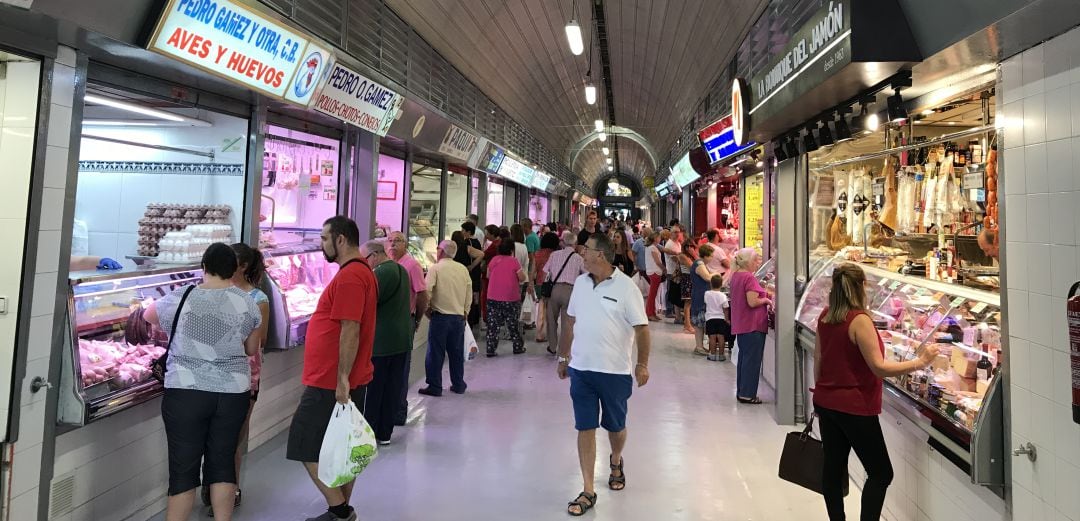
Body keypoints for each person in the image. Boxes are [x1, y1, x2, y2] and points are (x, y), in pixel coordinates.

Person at [814, 263, 940, 521]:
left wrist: (823, 394)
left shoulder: (826, 316)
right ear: (860, 286)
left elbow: (819, 360)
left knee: (833, 468)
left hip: (827, 402)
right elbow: (879, 368)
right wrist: (921, 362)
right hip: (855, 407)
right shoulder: (859, 320)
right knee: (881, 473)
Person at [145, 243, 262, 521]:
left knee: (183, 470)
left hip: (186, 391)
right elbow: (251, 349)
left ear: (204, 268)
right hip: (232, 393)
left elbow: (148, 316)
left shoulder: (183, 296)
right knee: (222, 465)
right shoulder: (248, 302)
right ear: (234, 270)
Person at [285, 216, 377, 521]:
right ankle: (340, 512)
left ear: (340, 239)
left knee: (303, 443)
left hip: (330, 381)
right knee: (343, 449)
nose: (321, 244)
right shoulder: (361, 272)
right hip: (344, 378)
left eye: (325, 238)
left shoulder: (351, 277)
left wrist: (341, 380)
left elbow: (350, 328)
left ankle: (340, 510)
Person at [556, 233, 651, 517]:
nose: (581, 254)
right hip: (582, 370)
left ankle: (616, 459)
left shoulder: (626, 287)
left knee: (615, 427)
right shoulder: (581, 284)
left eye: (586, 250)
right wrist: (564, 356)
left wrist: (642, 364)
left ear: (601, 255)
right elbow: (570, 321)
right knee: (584, 426)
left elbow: (642, 328)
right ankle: (588, 489)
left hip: (614, 371)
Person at [209, 243, 270, 515]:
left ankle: (229, 489)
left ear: (242, 266)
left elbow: (260, 340)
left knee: (233, 438)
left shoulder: (258, 299)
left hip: (246, 376)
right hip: (213, 373)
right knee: (212, 435)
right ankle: (213, 486)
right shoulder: (218, 291)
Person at [359, 239, 412, 445]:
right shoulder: (401, 270)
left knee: (375, 390)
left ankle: (370, 433)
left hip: (382, 342)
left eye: (364, 260)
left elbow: (367, 301)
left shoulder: (381, 273)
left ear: (373, 255)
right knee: (392, 388)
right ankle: (385, 433)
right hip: (401, 339)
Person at [419, 240, 473, 396]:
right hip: (458, 318)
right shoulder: (462, 269)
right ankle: (458, 384)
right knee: (456, 353)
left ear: (440, 251)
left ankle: (435, 386)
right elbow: (469, 292)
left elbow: (427, 290)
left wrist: (426, 309)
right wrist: (465, 311)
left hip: (440, 317)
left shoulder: (435, 268)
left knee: (435, 353)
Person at [388, 231, 429, 426]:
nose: (393, 244)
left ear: (405, 244)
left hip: (405, 320)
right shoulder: (387, 263)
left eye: (397, 241)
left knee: (401, 367)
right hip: (388, 323)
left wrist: (418, 318)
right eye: (390, 241)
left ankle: (398, 411)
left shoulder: (412, 265)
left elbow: (422, 295)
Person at [728, 248, 772, 404]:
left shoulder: (736, 276)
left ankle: (742, 391)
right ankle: (748, 394)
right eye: (755, 260)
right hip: (752, 325)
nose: (758, 263)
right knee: (752, 361)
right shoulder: (749, 277)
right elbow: (752, 301)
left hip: (742, 323)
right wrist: (766, 300)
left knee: (744, 359)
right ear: (747, 262)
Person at [544, 230, 584, 357]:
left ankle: (552, 347)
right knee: (567, 322)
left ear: (563, 242)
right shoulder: (579, 258)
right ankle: (564, 349)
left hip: (554, 289)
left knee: (551, 319)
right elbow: (586, 274)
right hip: (571, 291)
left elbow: (545, 271)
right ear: (575, 244)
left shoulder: (554, 255)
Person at [485, 237, 527, 356]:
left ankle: (490, 348)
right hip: (511, 297)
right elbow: (522, 278)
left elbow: (488, 275)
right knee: (512, 324)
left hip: (493, 296)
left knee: (493, 325)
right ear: (511, 250)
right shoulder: (514, 261)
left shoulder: (494, 260)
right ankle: (517, 346)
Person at [689, 244, 715, 356]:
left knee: (700, 322)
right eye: (711, 256)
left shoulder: (700, 263)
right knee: (699, 323)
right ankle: (699, 347)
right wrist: (716, 274)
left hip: (700, 295)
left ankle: (700, 346)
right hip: (700, 296)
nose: (712, 258)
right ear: (706, 255)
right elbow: (707, 277)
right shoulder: (699, 264)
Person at [533, 232, 559, 343]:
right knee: (551, 311)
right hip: (551, 284)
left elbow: (533, 270)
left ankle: (539, 333)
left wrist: (530, 283)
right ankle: (548, 332)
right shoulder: (556, 254)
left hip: (539, 284)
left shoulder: (537, 254)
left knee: (541, 309)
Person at [459, 223, 485, 328]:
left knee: (469, 297)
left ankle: (470, 319)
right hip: (476, 274)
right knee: (475, 296)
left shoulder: (467, 243)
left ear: (468, 232)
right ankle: (475, 319)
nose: (462, 232)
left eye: (463, 230)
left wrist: (471, 266)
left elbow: (480, 255)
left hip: (471, 274)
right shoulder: (477, 242)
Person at [510, 224, 536, 329]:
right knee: (520, 302)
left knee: (513, 304)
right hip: (523, 278)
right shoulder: (524, 246)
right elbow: (527, 263)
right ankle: (521, 323)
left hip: (513, 279)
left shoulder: (512, 246)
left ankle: (514, 324)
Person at [704, 274, 731, 362]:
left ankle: (712, 355)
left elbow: (705, 303)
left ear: (711, 284)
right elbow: (726, 309)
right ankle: (721, 355)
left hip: (710, 318)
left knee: (712, 337)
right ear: (721, 284)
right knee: (721, 337)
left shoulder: (707, 294)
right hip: (721, 318)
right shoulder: (723, 296)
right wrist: (727, 319)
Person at [676, 241, 697, 334]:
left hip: (691, 279)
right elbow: (692, 267)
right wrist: (695, 255)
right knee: (687, 303)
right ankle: (687, 325)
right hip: (687, 279)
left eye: (691, 246)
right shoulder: (682, 256)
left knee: (690, 302)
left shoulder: (692, 256)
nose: (689, 248)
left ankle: (688, 324)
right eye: (687, 246)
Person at [644, 232, 664, 321]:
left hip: (654, 272)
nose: (660, 238)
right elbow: (657, 261)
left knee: (653, 294)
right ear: (656, 238)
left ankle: (652, 312)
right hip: (654, 272)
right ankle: (649, 313)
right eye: (659, 237)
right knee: (652, 294)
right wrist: (664, 269)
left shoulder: (652, 247)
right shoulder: (652, 248)